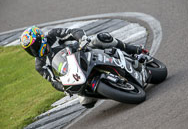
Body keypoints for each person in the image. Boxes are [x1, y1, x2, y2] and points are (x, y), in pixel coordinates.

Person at [20, 26, 148, 108]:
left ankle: (132, 50)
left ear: (41, 39)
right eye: (29, 49)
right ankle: (116, 89)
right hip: (75, 74)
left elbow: (73, 32)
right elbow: (53, 81)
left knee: (101, 38)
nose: (33, 51)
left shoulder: (53, 35)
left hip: (83, 52)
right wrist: (64, 88)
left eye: (34, 46)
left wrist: (82, 39)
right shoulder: (40, 64)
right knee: (86, 102)